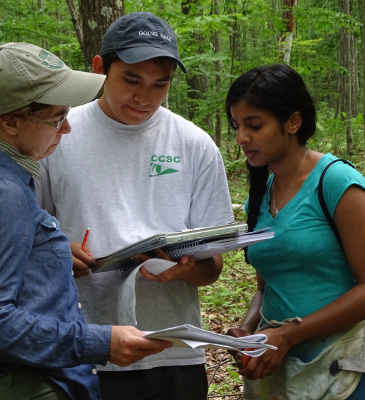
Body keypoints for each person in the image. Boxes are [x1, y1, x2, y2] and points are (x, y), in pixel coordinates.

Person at [35, 11, 234, 400]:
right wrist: (58, 253)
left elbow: (213, 268)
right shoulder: (58, 135)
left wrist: (184, 270)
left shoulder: (194, 145)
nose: (144, 97)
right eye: (131, 80)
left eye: (160, 85)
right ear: (99, 68)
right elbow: (27, 239)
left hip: (173, 352)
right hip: (83, 347)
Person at [0, 42, 171, 400]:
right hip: (32, 382)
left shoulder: (17, 181)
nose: (66, 130)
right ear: (10, 122)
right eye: (56, 118)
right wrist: (101, 342)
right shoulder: (7, 192)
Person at [225, 63, 365, 400]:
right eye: (236, 126)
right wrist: (247, 328)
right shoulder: (259, 197)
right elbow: (266, 287)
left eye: (254, 125)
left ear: (293, 122)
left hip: (342, 369)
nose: (242, 137)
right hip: (282, 375)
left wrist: (288, 336)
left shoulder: (336, 183)